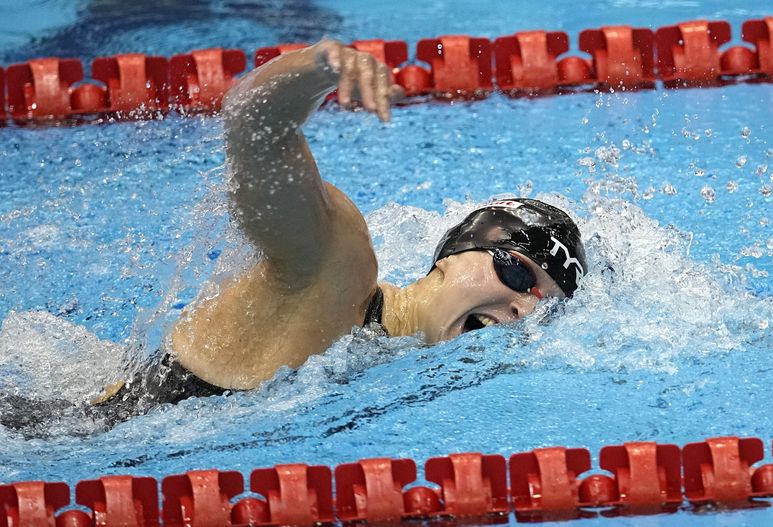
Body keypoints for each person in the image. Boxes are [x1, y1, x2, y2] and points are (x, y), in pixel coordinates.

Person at [2, 40, 587, 433]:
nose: (518, 309)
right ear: (455, 254)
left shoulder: (381, 351)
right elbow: (255, 125)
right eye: (515, 272)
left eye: (538, 306)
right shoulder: (337, 263)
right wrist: (323, 66)